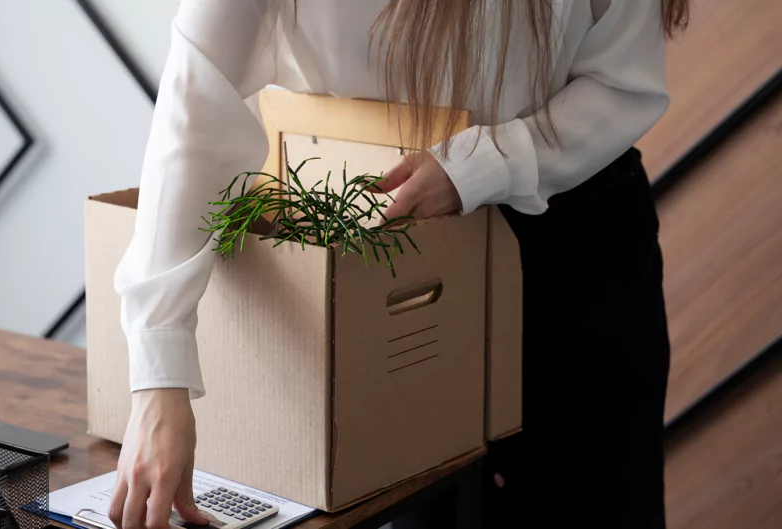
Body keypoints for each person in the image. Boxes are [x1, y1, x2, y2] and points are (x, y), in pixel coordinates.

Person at [107, 1, 689, 528]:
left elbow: (623, 83)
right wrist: (159, 378)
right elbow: (197, 101)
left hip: (572, 250)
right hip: (385, 258)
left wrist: (487, 162)